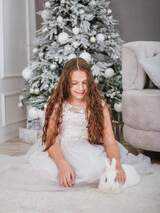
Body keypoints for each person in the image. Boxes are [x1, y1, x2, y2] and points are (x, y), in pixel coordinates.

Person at [0, 58, 153, 191]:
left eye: (84, 83)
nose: (80, 88)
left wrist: (116, 164)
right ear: (66, 83)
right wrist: (62, 164)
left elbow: (110, 141)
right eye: (74, 83)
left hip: (89, 148)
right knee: (44, 171)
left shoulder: (99, 105)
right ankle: (64, 172)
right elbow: (52, 140)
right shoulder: (57, 105)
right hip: (60, 148)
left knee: (95, 170)